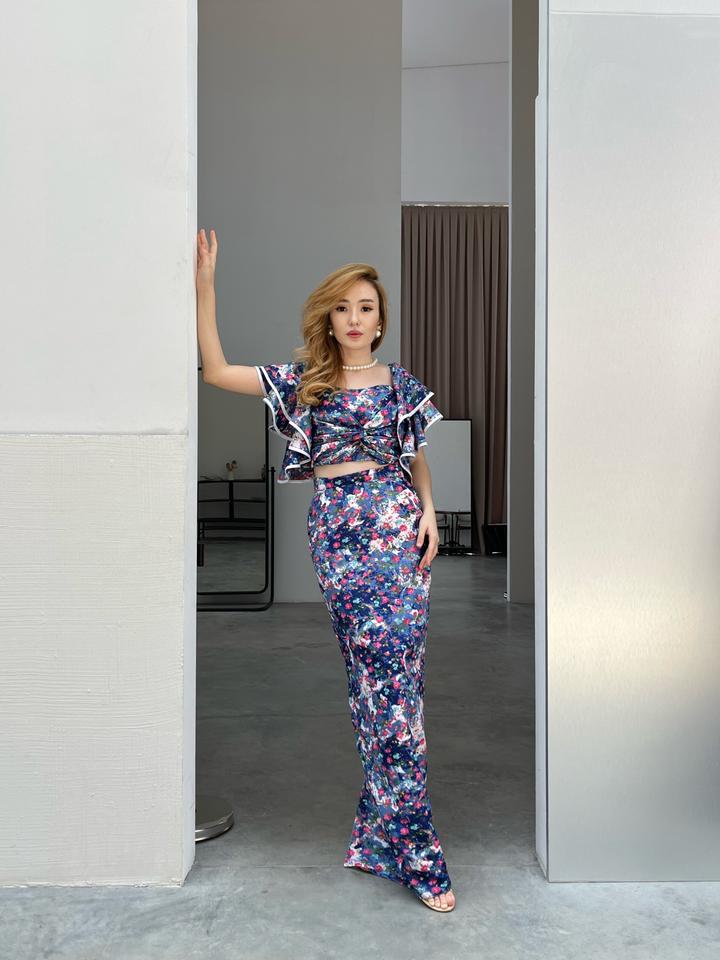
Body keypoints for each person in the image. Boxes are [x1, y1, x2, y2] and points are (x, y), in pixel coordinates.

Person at [195, 228, 456, 913]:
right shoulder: (306, 383)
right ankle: (385, 839)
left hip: (399, 529)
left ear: (380, 319)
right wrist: (205, 285)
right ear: (329, 319)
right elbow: (217, 371)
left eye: (365, 307)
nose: (354, 318)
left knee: (397, 687)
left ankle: (410, 848)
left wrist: (430, 511)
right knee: (371, 686)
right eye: (342, 308)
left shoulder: (400, 385)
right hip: (339, 535)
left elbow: (415, 456)